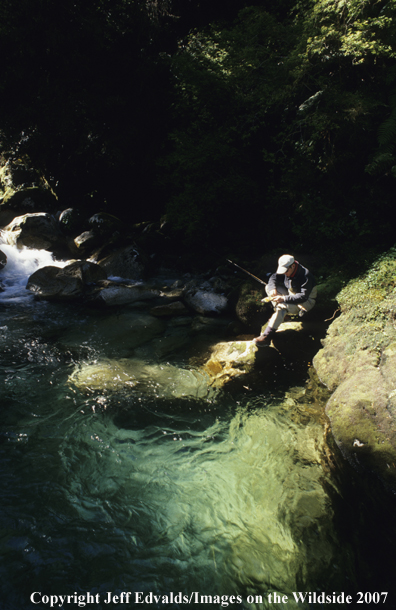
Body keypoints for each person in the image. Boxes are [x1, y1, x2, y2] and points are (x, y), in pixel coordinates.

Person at [253, 254, 317, 347]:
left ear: (293, 266)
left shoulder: (305, 275)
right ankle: (284, 316)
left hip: (305, 302)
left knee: (281, 307)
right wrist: (272, 288)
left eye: (286, 271)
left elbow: (303, 297)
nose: (284, 273)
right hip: (292, 295)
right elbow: (273, 277)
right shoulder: (287, 270)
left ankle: (266, 337)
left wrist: (283, 298)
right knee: (268, 287)